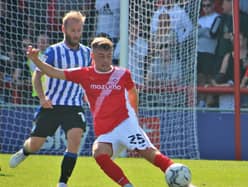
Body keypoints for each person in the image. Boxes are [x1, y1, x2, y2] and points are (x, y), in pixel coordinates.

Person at [25, 36, 196, 187]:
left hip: (125, 123)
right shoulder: (84, 74)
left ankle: (185, 182)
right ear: (92, 56)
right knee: (98, 152)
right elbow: (55, 72)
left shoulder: (122, 74)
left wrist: (134, 115)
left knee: (149, 154)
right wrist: (37, 60)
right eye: (101, 56)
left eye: (108, 56)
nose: (105, 60)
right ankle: (128, 185)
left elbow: (132, 92)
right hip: (106, 132)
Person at [9, 11, 91, 187]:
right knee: (36, 145)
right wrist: (41, 97)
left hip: (74, 106)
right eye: (73, 30)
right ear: (64, 29)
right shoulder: (53, 51)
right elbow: (37, 76)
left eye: (79, 30)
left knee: (75, 139)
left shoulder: (87, 53)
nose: (76, 34)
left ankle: (62, 183)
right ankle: (24, 151)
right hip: (52, 104)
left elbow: (90, 78)